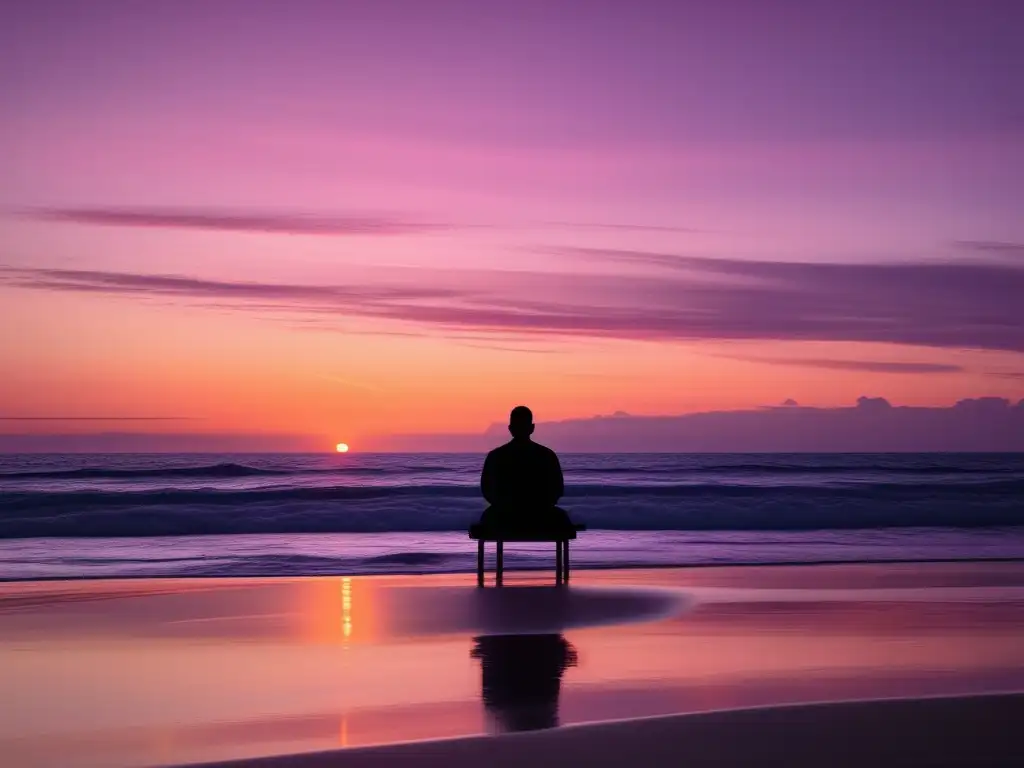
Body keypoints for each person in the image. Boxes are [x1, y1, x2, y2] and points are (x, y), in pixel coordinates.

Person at [480, 406, 570, 530]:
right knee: (562, 519)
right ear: (532, 428)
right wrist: (540, 506)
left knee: (486, 518)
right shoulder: (547, 455)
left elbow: (486, 490)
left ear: (510, 429)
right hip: (541, 514)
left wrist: (504, 505)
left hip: (503, 515)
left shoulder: (495, 456)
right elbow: (557, 489)